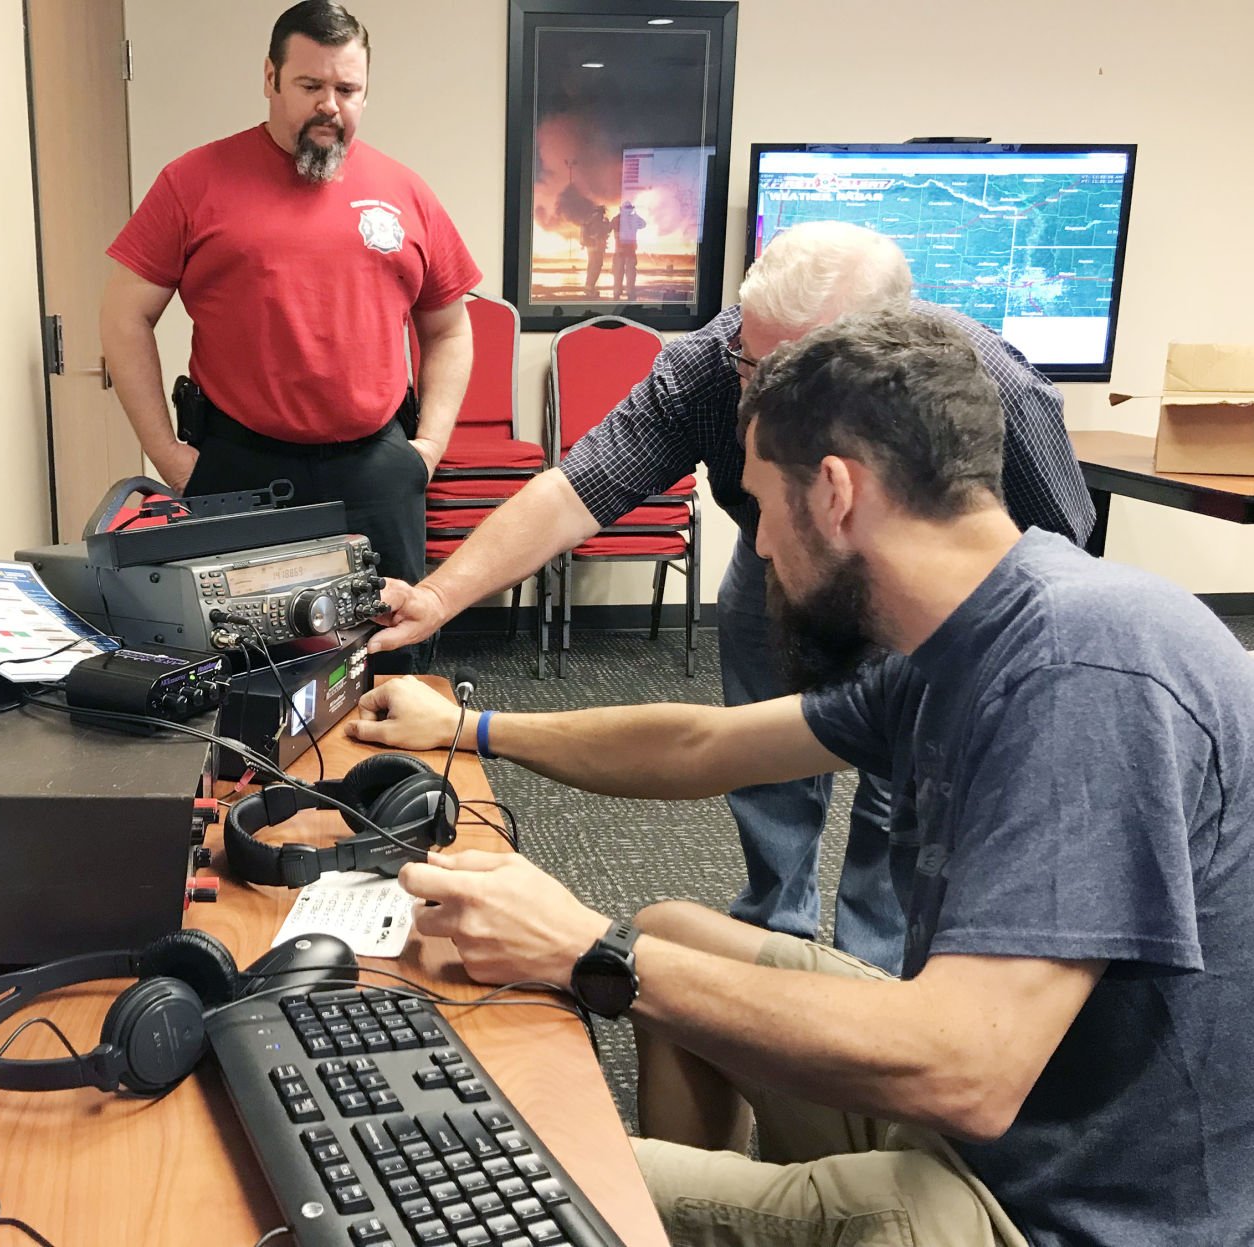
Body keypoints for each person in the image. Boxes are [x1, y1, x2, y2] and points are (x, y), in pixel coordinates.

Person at [350, 308, 1254, 1246]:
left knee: (512, 1161)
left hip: (1057, 1212)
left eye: (760, 506)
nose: (763, 547)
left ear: (834, 493)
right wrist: (472, 726)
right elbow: (700, 746)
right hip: (1009, 1130)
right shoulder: (971, 635)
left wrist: (587, 950)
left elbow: (966, 1072)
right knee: (667, 932)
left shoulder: (1081, 670)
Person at [371, 221, 1094, 971]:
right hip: (785, 556)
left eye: (784, 371)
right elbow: (576, 494)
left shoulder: (997, 387)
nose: (755, 392)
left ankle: (877, 965)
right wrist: (440, 599)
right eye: (749, 359)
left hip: (938, 598)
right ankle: (775, 937)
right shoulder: (712, 369)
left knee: (905, 781)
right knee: (767, 752)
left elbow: (1058, 554)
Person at [99, 1, 480, 671]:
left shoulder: (404, 192)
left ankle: (387, 779)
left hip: (377, 469)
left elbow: (449, 327)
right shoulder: (194, 182)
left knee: (390, 657)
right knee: (242, 664)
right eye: (310, 86)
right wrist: (166, 452)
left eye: (347, 89)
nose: (329, 105)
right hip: (239, 470)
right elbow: (124, 316)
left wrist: (428, 448)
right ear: (270, 78)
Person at [609, 200, 646, 300]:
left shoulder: (617, 219)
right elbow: (643, 224)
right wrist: (636, 215)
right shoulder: (633, 218)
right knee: (630, 273)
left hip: (620, 250)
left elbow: (609, 228)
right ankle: (630, 292)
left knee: (618, 272)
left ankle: (617, 292)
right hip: (630, 251)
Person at [579, 204, 611, 296]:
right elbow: (604, 231)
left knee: (591, 267)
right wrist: (607, 223)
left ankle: (588, 287)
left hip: (590, 248)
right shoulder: (598, 221)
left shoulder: (590, 220)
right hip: (596, 248)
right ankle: (590, 288)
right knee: (596, 267)